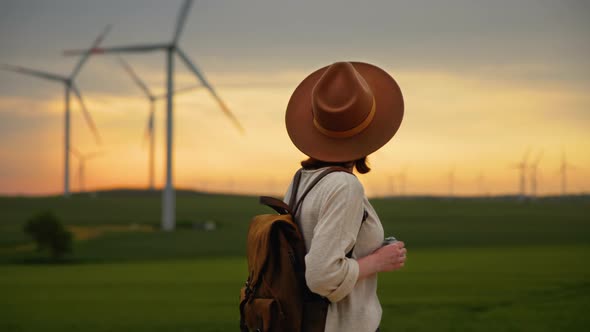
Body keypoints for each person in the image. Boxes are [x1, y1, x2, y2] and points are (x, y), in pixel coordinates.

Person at [283, 62, 407, 332]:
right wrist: (377, 262)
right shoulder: (344, 186)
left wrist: (368, 250)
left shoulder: (301, 181)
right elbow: (320, 276)